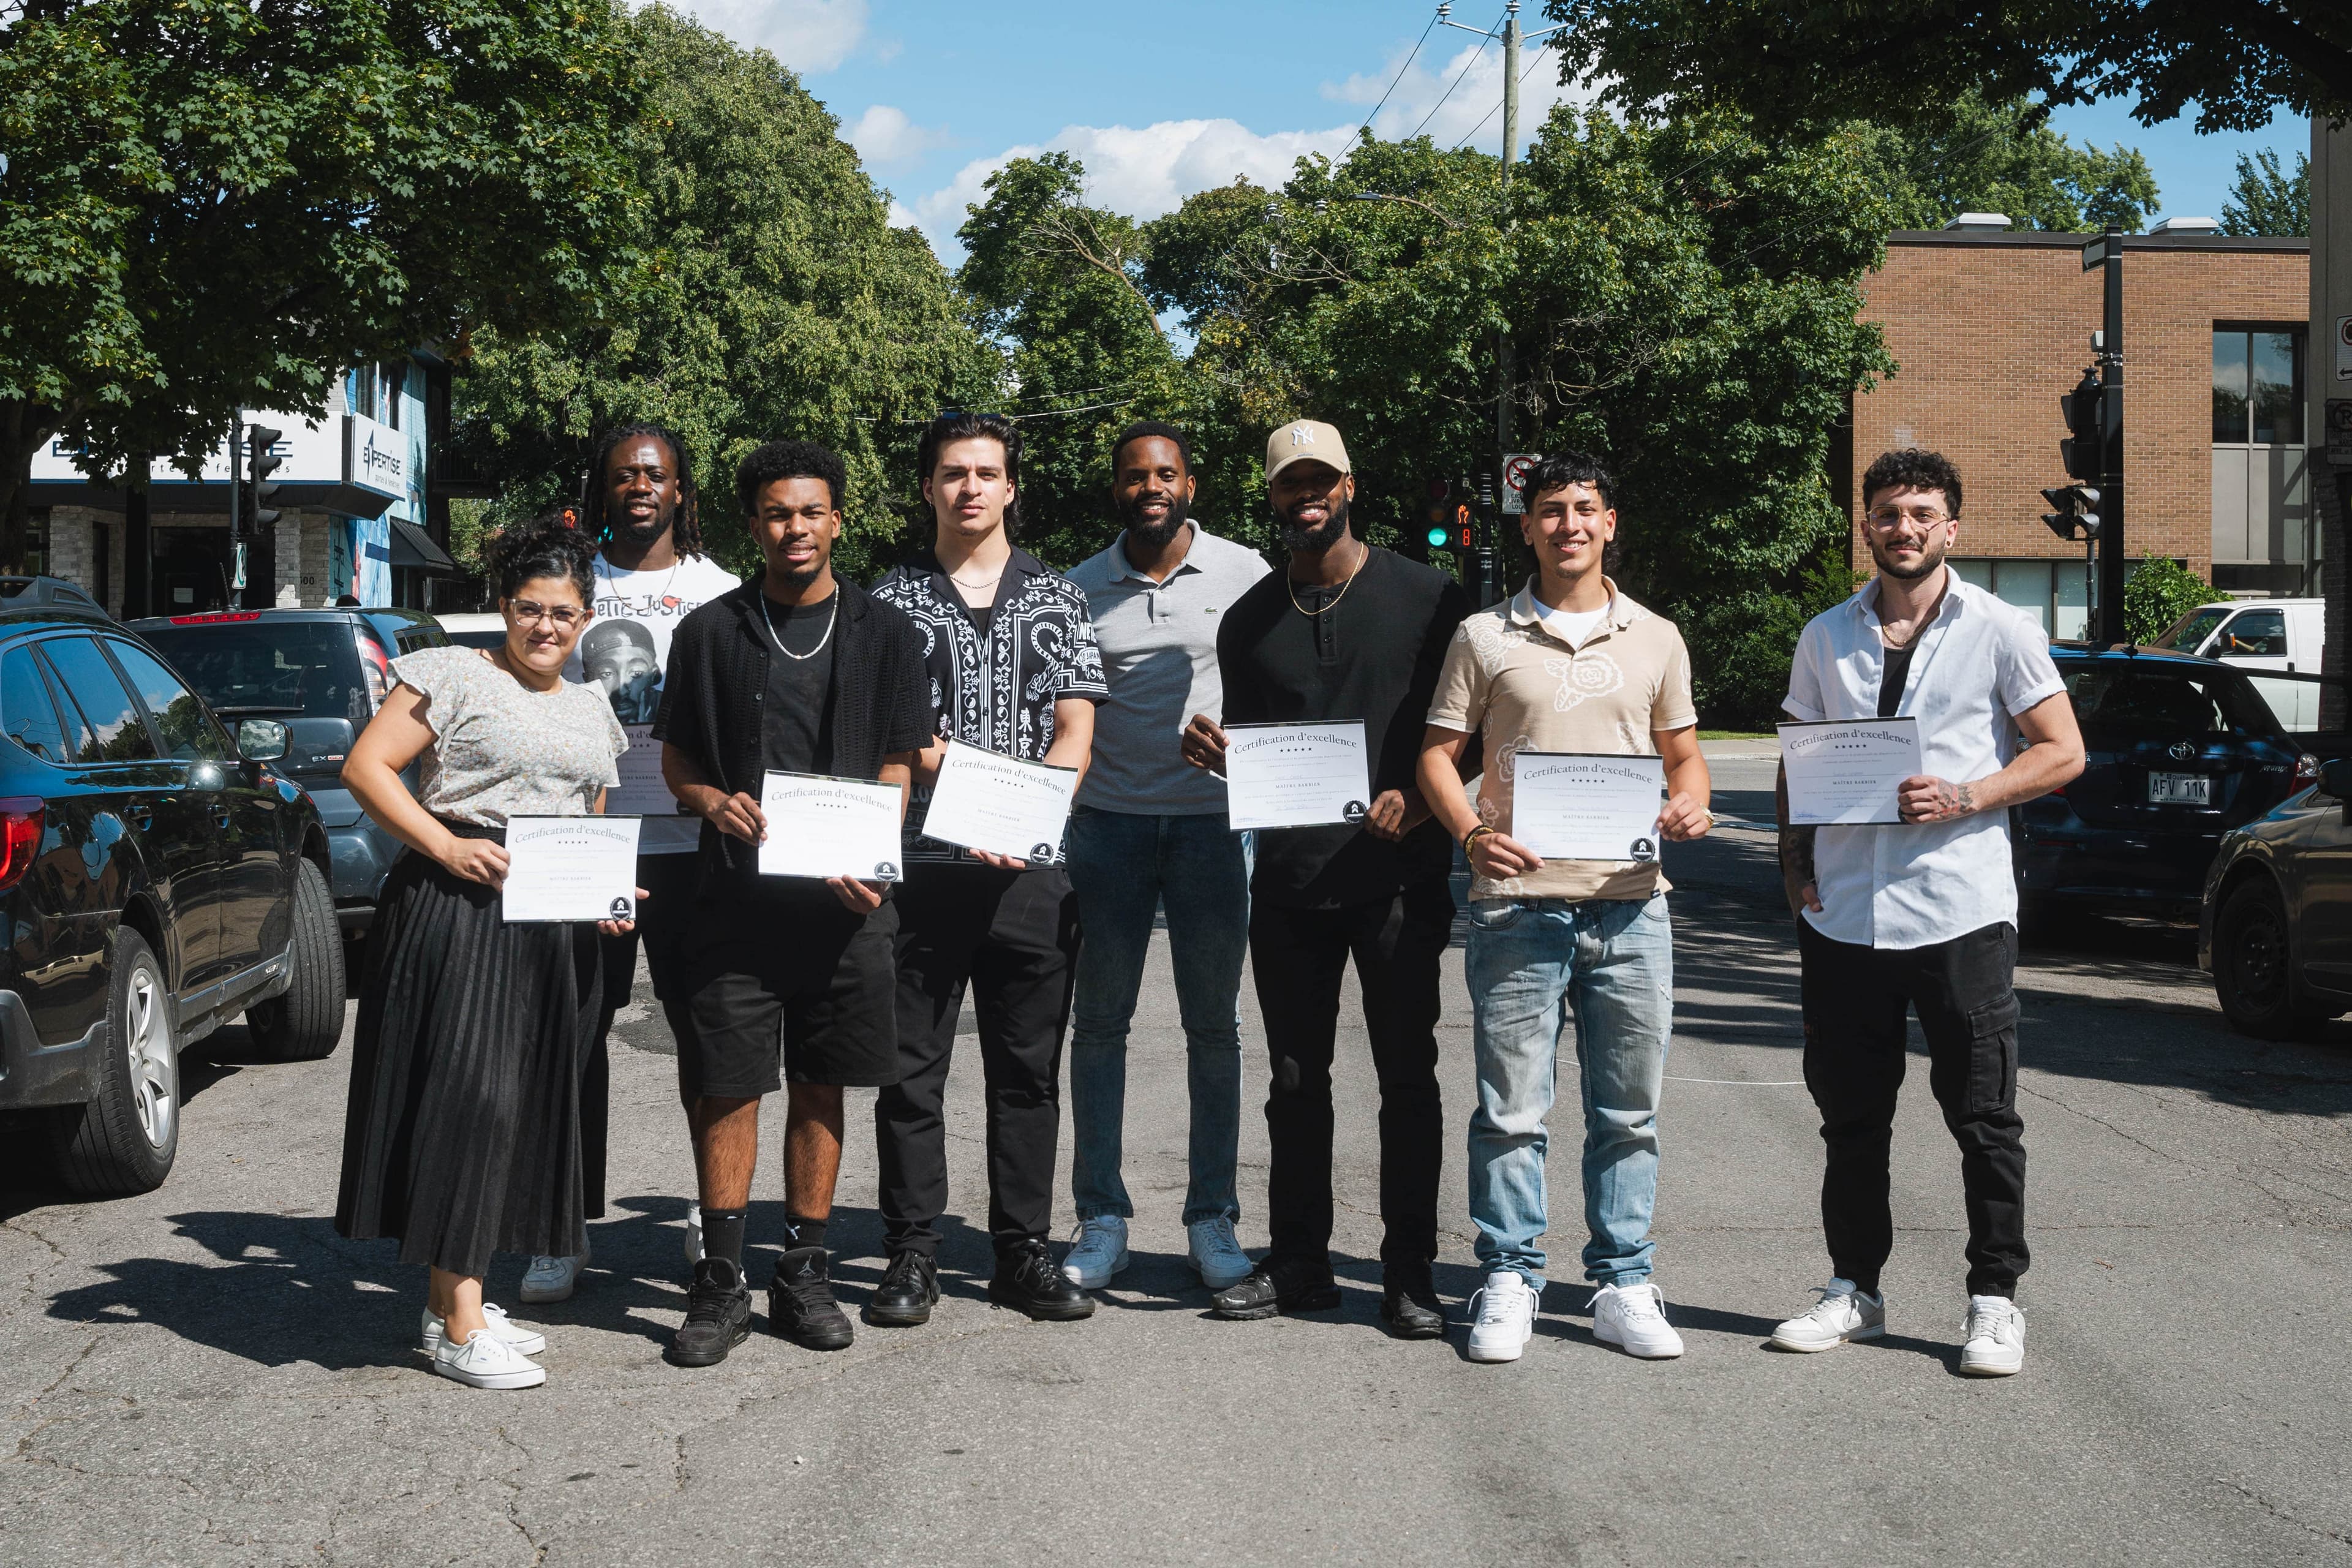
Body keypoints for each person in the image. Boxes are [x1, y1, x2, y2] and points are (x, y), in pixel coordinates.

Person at [1768, 448, 2084, 1377]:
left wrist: (1970, 795)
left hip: (1960, 915)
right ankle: (1853, 1289)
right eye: (1887, 514)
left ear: (1952, 527)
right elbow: (1800, 759)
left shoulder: (2000, 629)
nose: (1902, 529)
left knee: (1983, 1119)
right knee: (1851, 1121)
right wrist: (1793, 865)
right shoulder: (1826, 634)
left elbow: (2062, 751)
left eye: (1921, 514)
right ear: (1864, 526)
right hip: (1844, 918)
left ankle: (1994, 1302)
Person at [1415, 453, 1711, 1365]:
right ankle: (1509, 1274)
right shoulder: (1482, 636)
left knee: (1629, 1114)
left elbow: (1685, 758)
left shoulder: (1657, 636)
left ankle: (1624, 1280)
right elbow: (1437, 758)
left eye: (1585, 509)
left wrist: (1692, 800)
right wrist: (1471, 835)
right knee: (1511, 1111)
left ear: (1611, 523)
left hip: (1630, 909)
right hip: (1516, 908)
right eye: (1551, 511)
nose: (1569, 525)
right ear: (1528, 526)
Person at [1182, 418, 1469, 1336]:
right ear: (1271, 498)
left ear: (1349, 485)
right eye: (1287, 485)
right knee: (1296, 1081)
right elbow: (1269, 758)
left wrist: (1422, 806)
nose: (1305, 496)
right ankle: (1301, 1261)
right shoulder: (1250, 621)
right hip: (1292, 889)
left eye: (1320, 481)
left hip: (1398, 880)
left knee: (1407, 1079)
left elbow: (1475, 739)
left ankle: (1409, 1272)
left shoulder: (1431, 601)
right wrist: (1221, 757)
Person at [333, 515, 633, 1390]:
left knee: (524, 1106)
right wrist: (447, 846)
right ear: (503, 606)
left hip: (553, 926)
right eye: (530, 609)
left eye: (565, 614)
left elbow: (592, 812)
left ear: (585, 619)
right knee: (472, 1101)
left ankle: (454, 1300)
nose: (547, 628)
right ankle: (459, 1325)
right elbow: (368, 768)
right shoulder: (454, 672)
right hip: (458, 905)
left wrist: (607, 895)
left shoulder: (590, 703)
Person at [652, 440, 932, 1366]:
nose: (795, 528)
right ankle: (722, 1283)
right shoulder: (711, 631)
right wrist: (710, 802)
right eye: (777, 513)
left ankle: (802, 1270)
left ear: (837, 521)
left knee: (823, 1081)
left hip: (848, 906)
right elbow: (677, 759)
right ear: (754, 526)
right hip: (733, 903)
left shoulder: (888, 633)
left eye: (811, 511)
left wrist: (875, 853)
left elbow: (899, 758)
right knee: (729, 1084)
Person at [867, 410, 1106, 1325]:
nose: (969, 487)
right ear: (928, 487)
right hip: (924, 866)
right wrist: (955, 778)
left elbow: (1076, 730)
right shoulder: (887, 604)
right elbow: (887, 739)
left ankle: (1022, 1250)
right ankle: (913, 1254)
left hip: (1032, 874)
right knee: (911, 1070)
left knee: (1027, 1071)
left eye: (986, 473)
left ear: (1011, 488)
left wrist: (1031, 810)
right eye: (952, 473)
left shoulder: (1059, 597)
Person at [521, 424, 741, 1306]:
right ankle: (559, 1227)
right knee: (570, 1036)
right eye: (623, 476)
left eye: (655, 475)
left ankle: (709, 1209)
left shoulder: (720, 591)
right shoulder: (570, 588)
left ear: (682, 489)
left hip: (696, 841)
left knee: (706, 1035)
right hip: (580, 838)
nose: (640, 487)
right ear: (601, 488)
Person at [1060, 422, 1268, 1292]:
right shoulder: (1077, 588)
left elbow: (1284, 687)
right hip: (1105, 826)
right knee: (1099, 1026)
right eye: (1135, 476)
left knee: (1212, 1029)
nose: (1151, 486)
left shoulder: (1247, 573)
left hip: (1214, 828)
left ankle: (1211, 1220)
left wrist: (1248, 747)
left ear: (1192, 483)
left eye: (1166, 473)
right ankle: (1101, 1217)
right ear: (1117, 489)